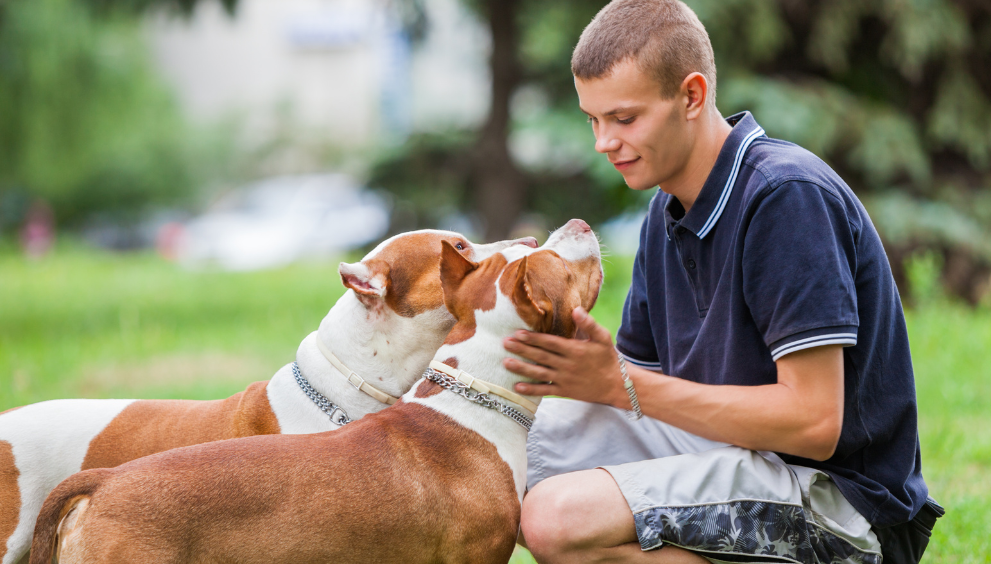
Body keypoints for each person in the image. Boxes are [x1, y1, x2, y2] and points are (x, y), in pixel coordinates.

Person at [502, 1, 941, 563]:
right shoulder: (665, 213)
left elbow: (814, 422)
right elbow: (647, 393)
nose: (602, 142)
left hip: (842, 508)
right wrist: (581, 371)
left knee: (556, 516)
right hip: (728, 455)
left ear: (691, 96)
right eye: (594, 119)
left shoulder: (785, 197)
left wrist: (619, 385)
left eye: (624, 119)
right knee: (504, 449)